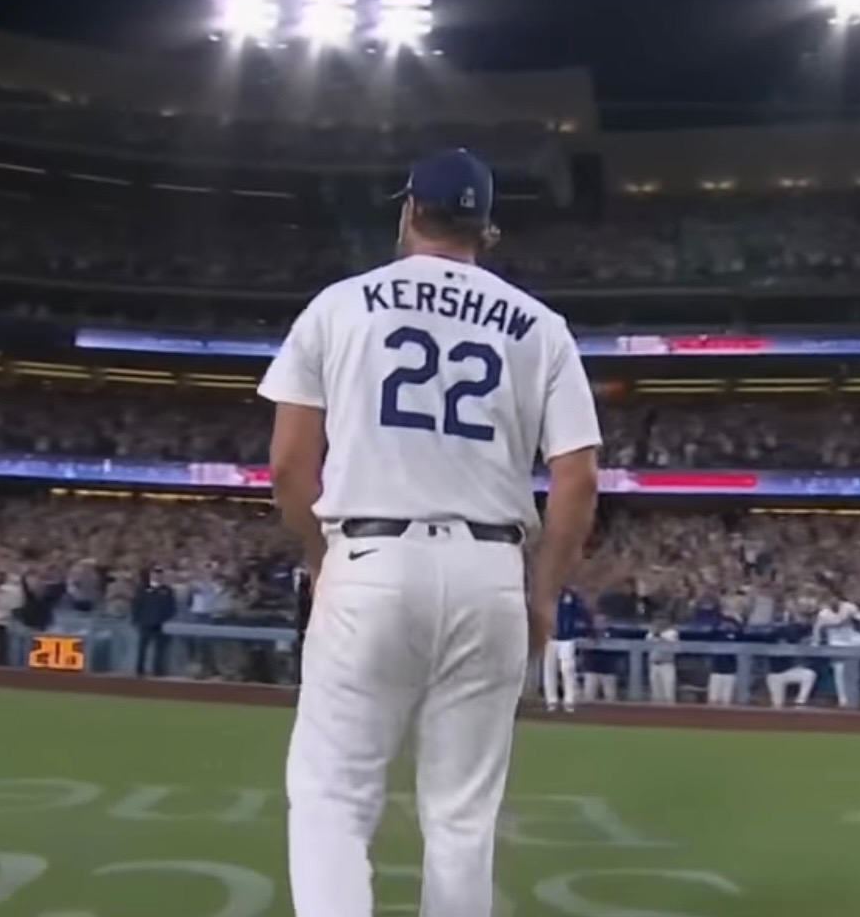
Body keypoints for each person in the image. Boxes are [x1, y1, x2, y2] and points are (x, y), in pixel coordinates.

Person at [257, 147, 602, 917]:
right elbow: (577, 477)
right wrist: (541, 597)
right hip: (489, 573)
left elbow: (287, 466)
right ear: (487, 227)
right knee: (460, 820)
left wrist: (322, 561)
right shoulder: (539, 326)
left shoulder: (340, 304)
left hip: (370, 555)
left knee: (334, 802)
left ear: (408, 209)